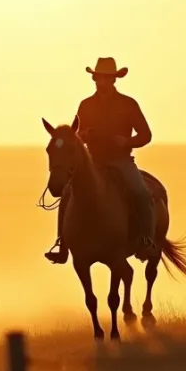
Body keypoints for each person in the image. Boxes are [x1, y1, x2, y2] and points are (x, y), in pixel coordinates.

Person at [44, 57, 155, 265]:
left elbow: (146, 135)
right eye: (98, 78)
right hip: (93, 161)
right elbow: (77, 134)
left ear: (114, 80)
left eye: (106, 78)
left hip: (121, 161)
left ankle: (146, 240)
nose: (101, 82)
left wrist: (126, 141)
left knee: (140, 192)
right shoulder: (85, 105)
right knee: (67, 194)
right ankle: (62, 244)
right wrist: (83, 135)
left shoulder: (128, 104)